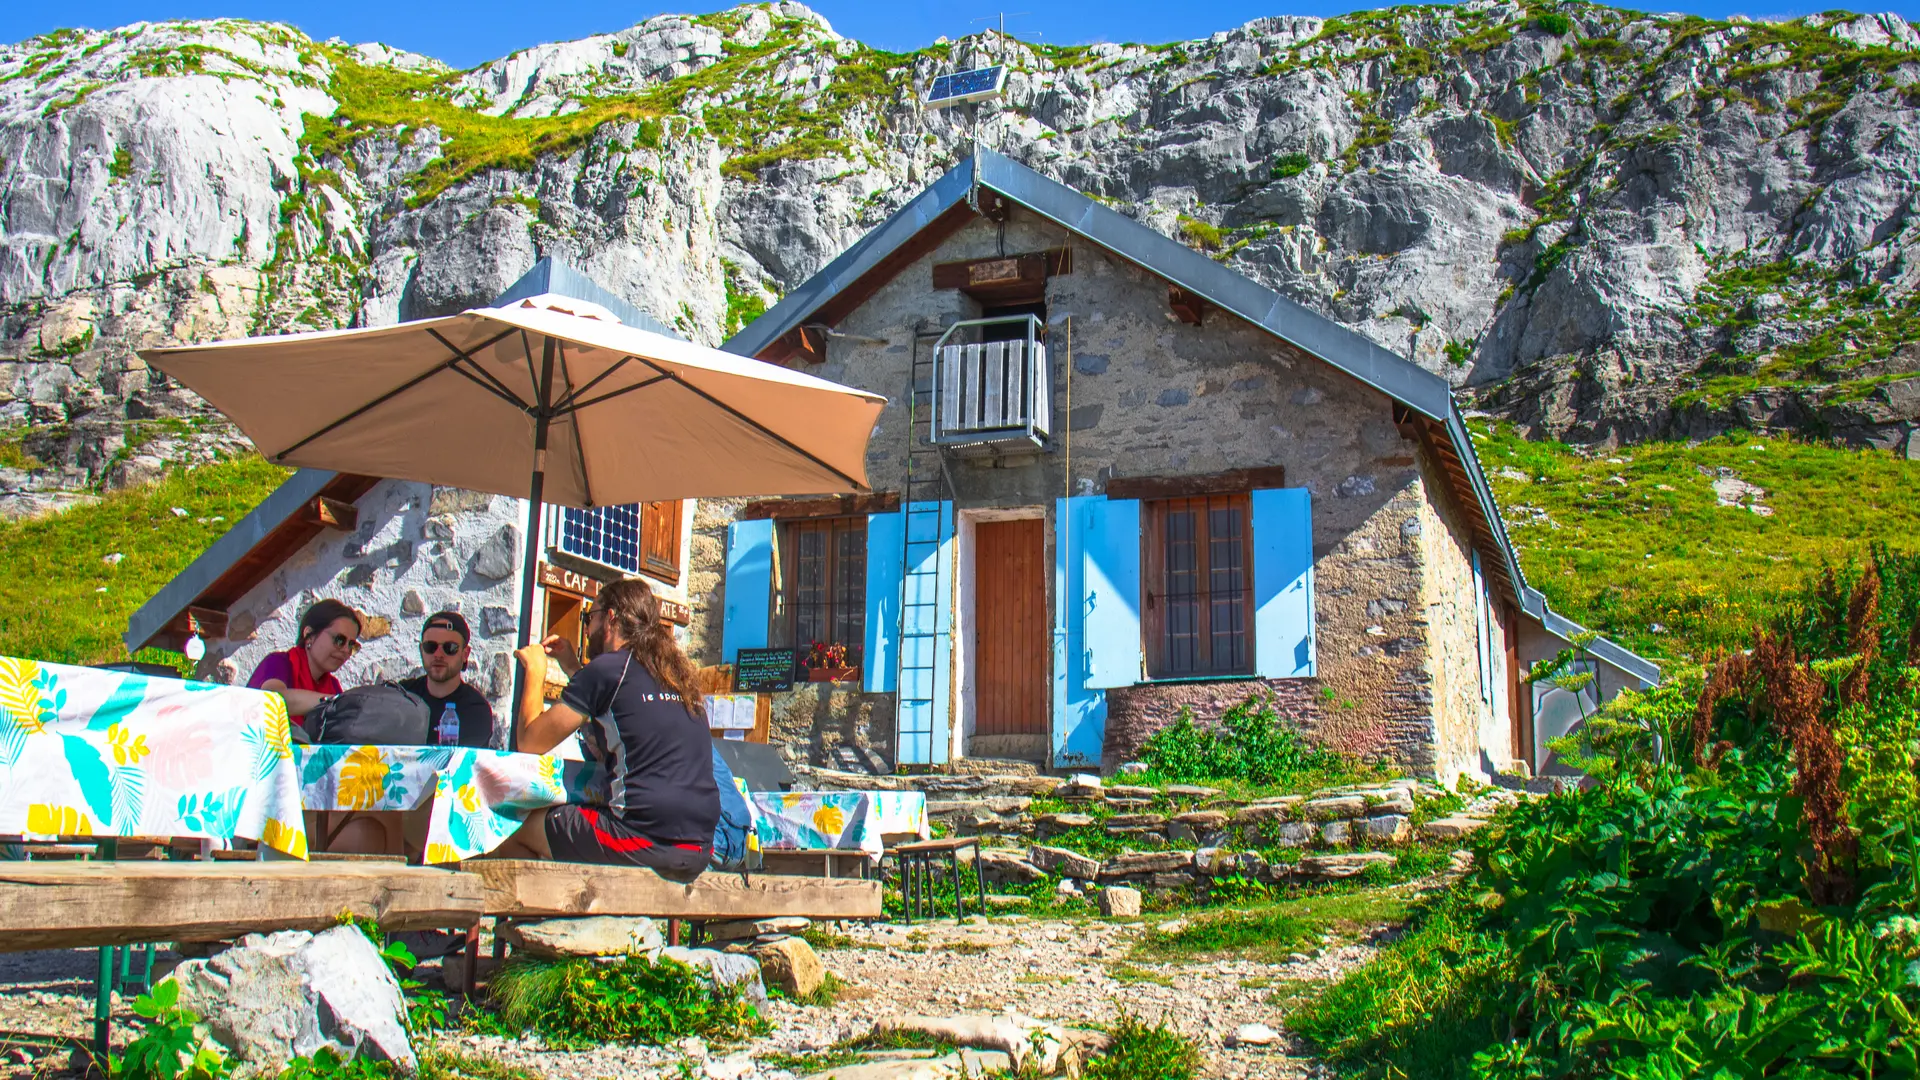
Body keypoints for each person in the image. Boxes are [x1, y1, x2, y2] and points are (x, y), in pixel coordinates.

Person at [494, 579, 719, 881]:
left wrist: (536, 670)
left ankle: (549, 925)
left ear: (610, 617)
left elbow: (530, 742)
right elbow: (618, 712)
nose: (586, 629)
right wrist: (574, 669)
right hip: (699, 848)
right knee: (567, 832)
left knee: (515, 829)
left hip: (644, 838)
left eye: (589, 617)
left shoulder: (610, 669)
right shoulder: (674, 675)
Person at [248, 599, 360, 723]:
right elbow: (274, 700)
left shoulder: (333, 686)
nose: (346, 650)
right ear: (309, 635)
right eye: (339, 640)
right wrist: (333, 703)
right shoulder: (278, 663)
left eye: (351, 645)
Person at [398, 611, 496, 747]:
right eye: (430, 647)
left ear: (465, 654)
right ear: (421, 650)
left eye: (450, 648)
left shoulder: (475, 710)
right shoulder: (401, 696)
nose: (438, 655)